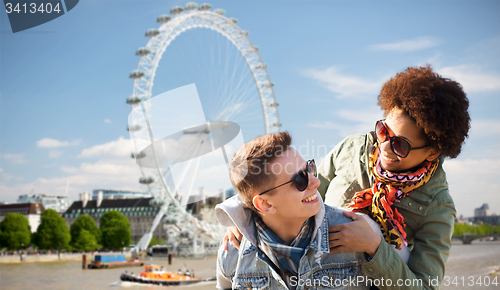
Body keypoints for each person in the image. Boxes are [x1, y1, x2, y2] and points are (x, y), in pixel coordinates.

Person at [220, 65, 470, 290]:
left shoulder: (438, 206)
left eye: (400, 145)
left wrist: (374, 248)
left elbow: (423, 287)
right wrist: (247, 219)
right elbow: (294, 190)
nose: (384, 147)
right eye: (383, 131)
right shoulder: (352, 149)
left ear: (433, 151)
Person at [216, 132, 371, 290]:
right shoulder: (232, 253)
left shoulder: (357, 234)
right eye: (300, 179)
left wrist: (375, 248)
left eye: (309, 169)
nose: (316, 182)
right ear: (264, 204)